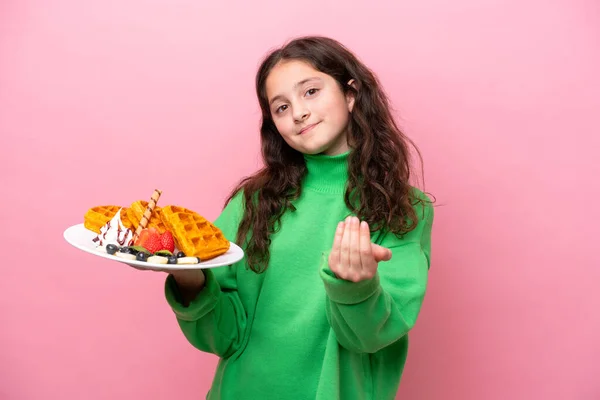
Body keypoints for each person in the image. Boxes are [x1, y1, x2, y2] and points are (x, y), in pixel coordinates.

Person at [162, 36, 435, 400]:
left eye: (310, 92)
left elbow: (373, 337)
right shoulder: (253, 202)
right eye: (281, 107)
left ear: (351, 94)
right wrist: (189, 278)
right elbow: (224, 336)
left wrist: (357, 287)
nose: (298, 113)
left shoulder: (405, 210)